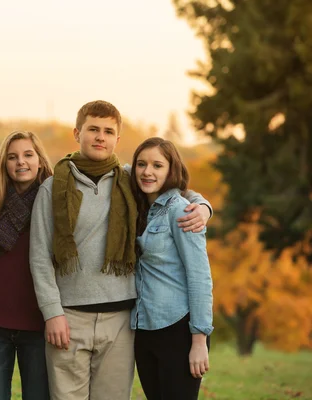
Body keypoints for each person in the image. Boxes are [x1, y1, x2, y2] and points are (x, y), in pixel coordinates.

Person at [29, 100, 212, 400]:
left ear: (117, 138)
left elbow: (173, 190)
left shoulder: (127, 180)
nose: (100, 137)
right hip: (69, 317)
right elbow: (39, 256)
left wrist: (203, 207)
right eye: (93, 129)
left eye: (108, 131)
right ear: (77, 133)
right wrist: (52, 313)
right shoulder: (52, 188)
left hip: (121, 321)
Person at [130, 137, 213, 400]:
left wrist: (199, 341)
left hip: (178, 329)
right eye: (141, 164)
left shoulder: (181, 211)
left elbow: (200, 277)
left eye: (157, 165)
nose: (148, 172)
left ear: (171, 169)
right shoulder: (138, 207)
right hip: (143, 329)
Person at [0, 131, 53, 400]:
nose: (21, 162)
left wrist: (193, 200)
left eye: (28, 155)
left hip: (38, 321)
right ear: (4, 164)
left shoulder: (55, 198)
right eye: (12, 157)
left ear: (40, 160)